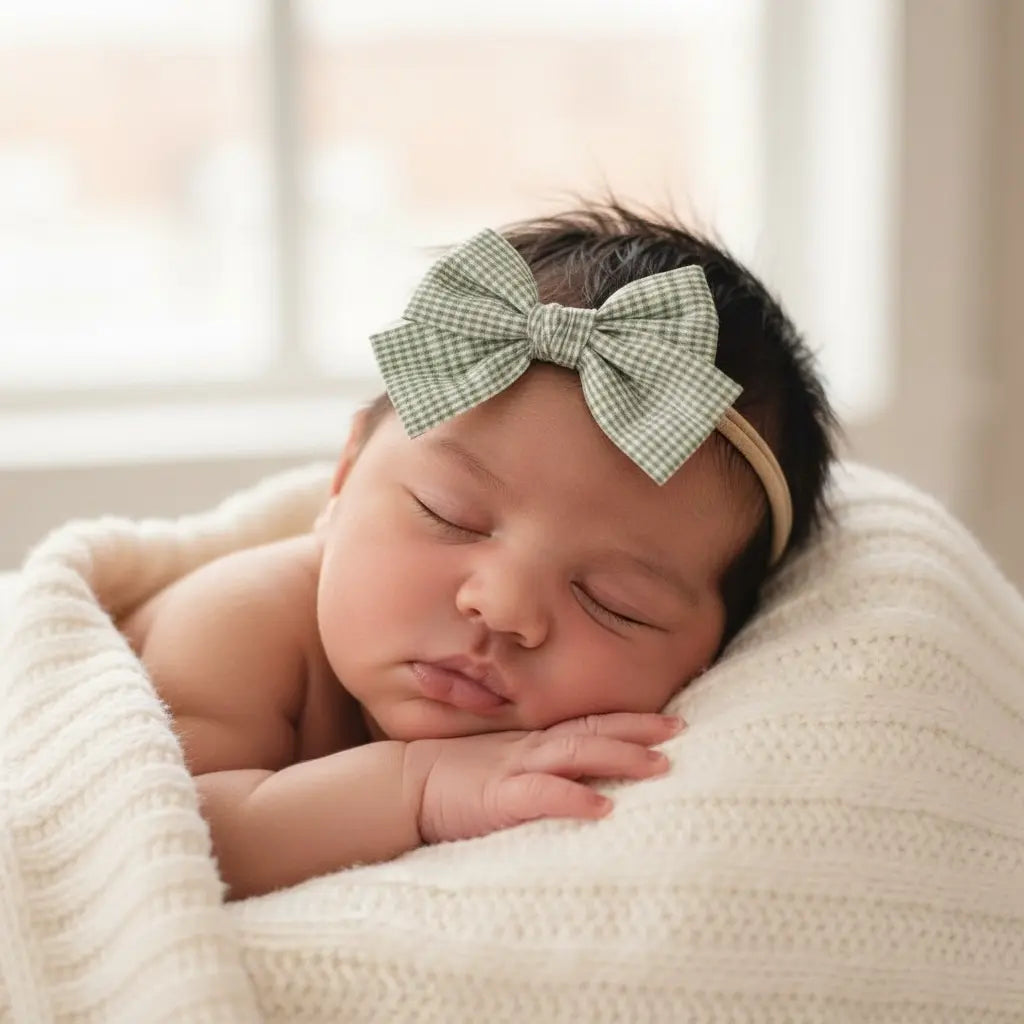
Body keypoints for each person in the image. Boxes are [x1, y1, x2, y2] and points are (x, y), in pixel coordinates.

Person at [120, 203, 836, 900]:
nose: (502, 607)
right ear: (342, 481)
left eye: (615, 602)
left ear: (716, 653)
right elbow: (163, 839)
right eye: (448, 516)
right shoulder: (237, 620)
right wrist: (418, 786)